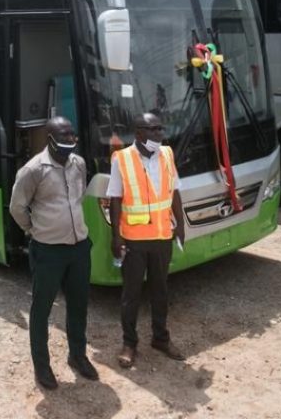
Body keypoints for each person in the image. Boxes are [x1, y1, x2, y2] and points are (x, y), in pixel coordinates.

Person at [9, 116, 98, 389]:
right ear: (50, 139)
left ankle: (78, 355)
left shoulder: (79, 164)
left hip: (79, 247)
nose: (70, 140)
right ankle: (42, 367)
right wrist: (34, 231)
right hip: (48, 250)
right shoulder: (33, 170)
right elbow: (17, 208)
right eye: (64, 135)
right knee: (41, 309)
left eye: (72, 135)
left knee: (79, 305)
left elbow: (78, 198)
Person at [107, 112, 186, 369]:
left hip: (162, 236)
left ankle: (160, 338)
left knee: (160, 290)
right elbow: (115, 198)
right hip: (134, 239)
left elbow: (173, 191)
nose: (158, 134)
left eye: (160, 128)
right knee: (131, 294)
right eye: (152, 129)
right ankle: (129, 343)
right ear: (138, 132)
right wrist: (115, 236)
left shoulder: (167, 154)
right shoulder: (122, 159)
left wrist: (181, 224)